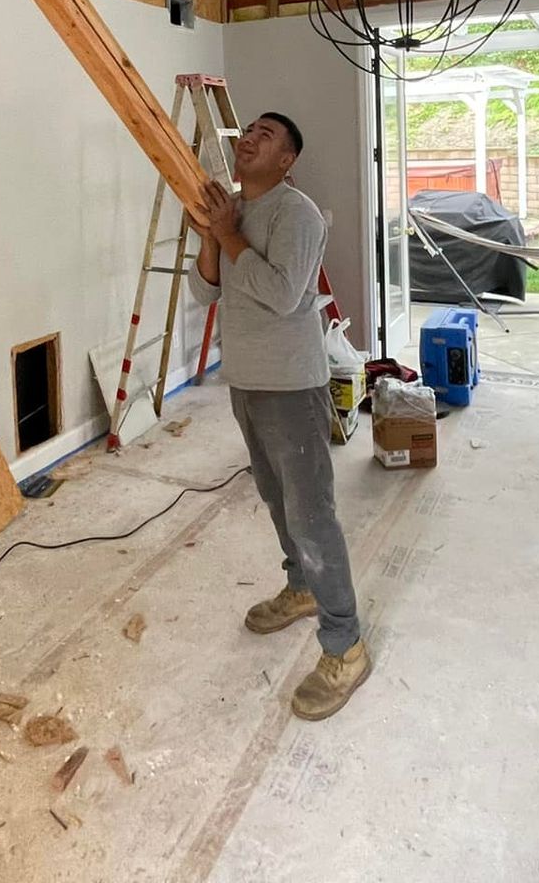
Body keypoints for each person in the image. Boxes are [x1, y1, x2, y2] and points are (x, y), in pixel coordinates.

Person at [187, 111, 369, 720]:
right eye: (250, 130)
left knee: (312, 515)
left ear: (286, 160)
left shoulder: (298, 214)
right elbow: (206, 291)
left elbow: (283, 292)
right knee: (275, 498)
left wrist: (229, 232)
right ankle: (301, 589)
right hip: (247, 382)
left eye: (267, 134)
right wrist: (214, 235)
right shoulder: (234, 209)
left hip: (292, 387)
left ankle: (346, 646)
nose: (250, 137)